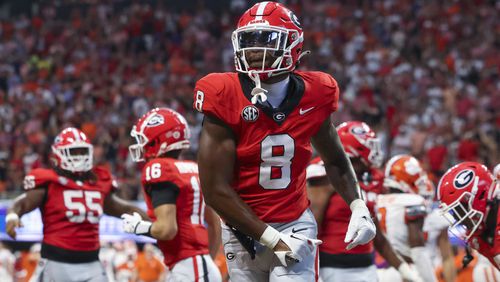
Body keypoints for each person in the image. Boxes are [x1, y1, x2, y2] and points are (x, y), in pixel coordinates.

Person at [193, 2, 376, 281]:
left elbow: (336, 160)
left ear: (293, 44)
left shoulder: (317, 93)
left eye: (266, 39)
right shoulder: (222, 93)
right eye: (248, 40)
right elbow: (214, 189)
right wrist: (272, 239)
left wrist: (358, 205)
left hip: (295, 224)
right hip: (241, 229)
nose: (254, 49)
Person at [5, 127, 148, 282]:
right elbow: (23, 202)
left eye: (82, 151)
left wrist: (151, 223)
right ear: (59, 154)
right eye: (73, 152)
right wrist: (13, 215)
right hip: (56, 263)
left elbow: (122, 208)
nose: (79, 156)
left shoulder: (97, 182)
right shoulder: (50, 182)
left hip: (91, 263)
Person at [306, 121, 421, 282]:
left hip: (368, 265)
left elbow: (377, 236)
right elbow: (312, 228)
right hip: (332, 267)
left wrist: (404, 270)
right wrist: (311, 270)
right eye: (369, 144)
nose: (374, 149)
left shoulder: (373, 177)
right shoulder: (325, 176)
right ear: (353, 148)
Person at [121, 108, 222, 281]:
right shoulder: (193, 169)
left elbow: (167, 229)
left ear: (159, 139)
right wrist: (206, 261)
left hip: (189, 267)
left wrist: (138, 227)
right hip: (199, 267)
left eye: (142, 139)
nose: (140, 144)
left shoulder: (159, 168)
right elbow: (215, 225)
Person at [377, 154, 438, 282]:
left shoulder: (377, 200)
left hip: (379, 269)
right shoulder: (413, 201)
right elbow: (417, 249)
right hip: (407, 270)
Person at [438, 162, 499, 270]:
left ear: (480, 196)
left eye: (459, 209)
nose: (458, 219)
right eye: (454, 212)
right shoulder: (477, 237)